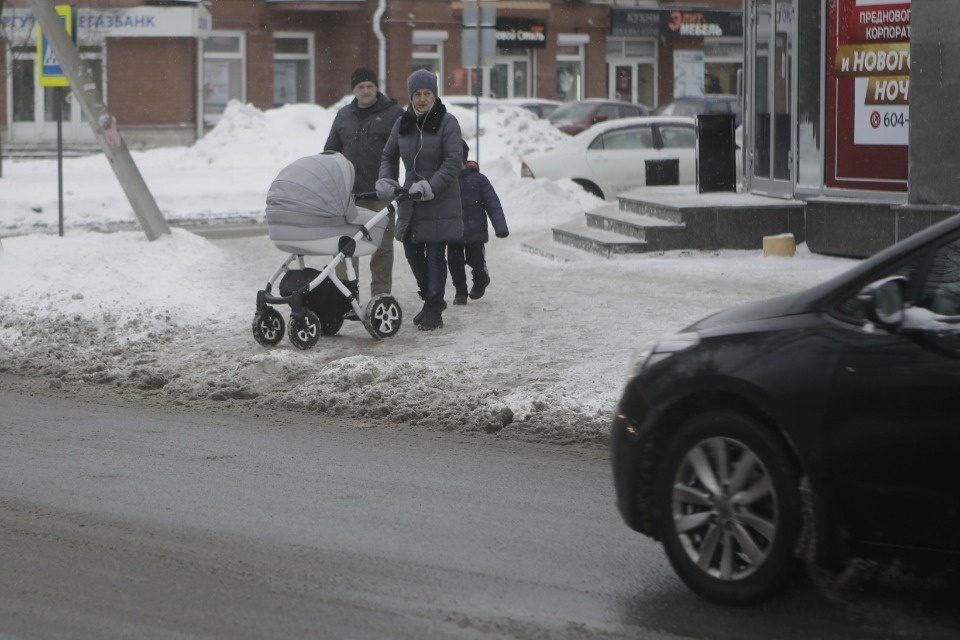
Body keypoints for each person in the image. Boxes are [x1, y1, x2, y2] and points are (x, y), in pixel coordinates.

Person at [376, 69, 463, 331]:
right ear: (411, 95)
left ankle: (434, 306)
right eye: (417, 94)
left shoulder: (448, 122)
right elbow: (388, 156)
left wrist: (430, 186)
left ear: (435, 95)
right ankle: (430, 299)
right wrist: (387, 181)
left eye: (427, 93)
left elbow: (452, 163)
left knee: (435, 254)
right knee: (413, 252)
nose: (422, 99)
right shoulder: (403, 122)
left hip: (440, 199)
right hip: (410, 200)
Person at [323, 66, 403, 300]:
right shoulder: (343, 116)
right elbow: (331, 151)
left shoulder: (394, 115)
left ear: (376, 88)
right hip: (349, 196)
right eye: (361, 87)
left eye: (370, 86)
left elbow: (407, 150)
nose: (366, 90)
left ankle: (381, 295)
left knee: (383, 248)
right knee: (345, 247)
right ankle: (345, 296)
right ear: (354, 90)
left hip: (382, 195)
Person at [448, 140, 509, 305]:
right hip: (453, 232)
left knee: (477, 261)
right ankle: (460, 291)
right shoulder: (446, 181)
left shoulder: (479, 180)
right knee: (455, 263)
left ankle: (481, 279)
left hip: (476, 232)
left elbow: (493, 204)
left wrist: (500, 227)